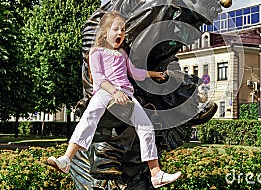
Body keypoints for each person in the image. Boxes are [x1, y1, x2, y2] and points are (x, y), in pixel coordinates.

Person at [47, 11, 181, 188]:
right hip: (104, 92)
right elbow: (99, 78)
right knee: (90, 118)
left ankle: (155, 173)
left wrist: (154, 74)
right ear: (105, 32)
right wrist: (114, 92)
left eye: (123, 30)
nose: (120, 33)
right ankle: (66, 158)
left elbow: (134, 73)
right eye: (115, 29)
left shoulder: (122, 54)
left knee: (146, 127)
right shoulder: (96, 52)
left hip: (126, 94)